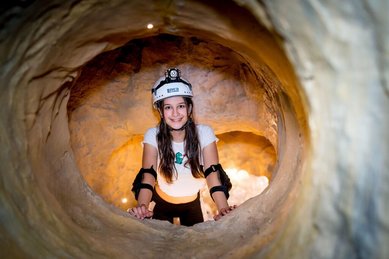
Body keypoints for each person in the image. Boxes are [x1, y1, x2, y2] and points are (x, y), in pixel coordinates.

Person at [128, 68, 236, 226]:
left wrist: (223, 208)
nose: (175, 113)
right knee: (160, 248)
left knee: (194, 248)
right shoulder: (153, 135)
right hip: (161, 203)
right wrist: (142, 206)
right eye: (168, 107)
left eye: (180, 106)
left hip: (192, 205)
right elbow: (148, 175)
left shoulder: (205, 133)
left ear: (189, 108)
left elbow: (213, 174)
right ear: (160, 111)